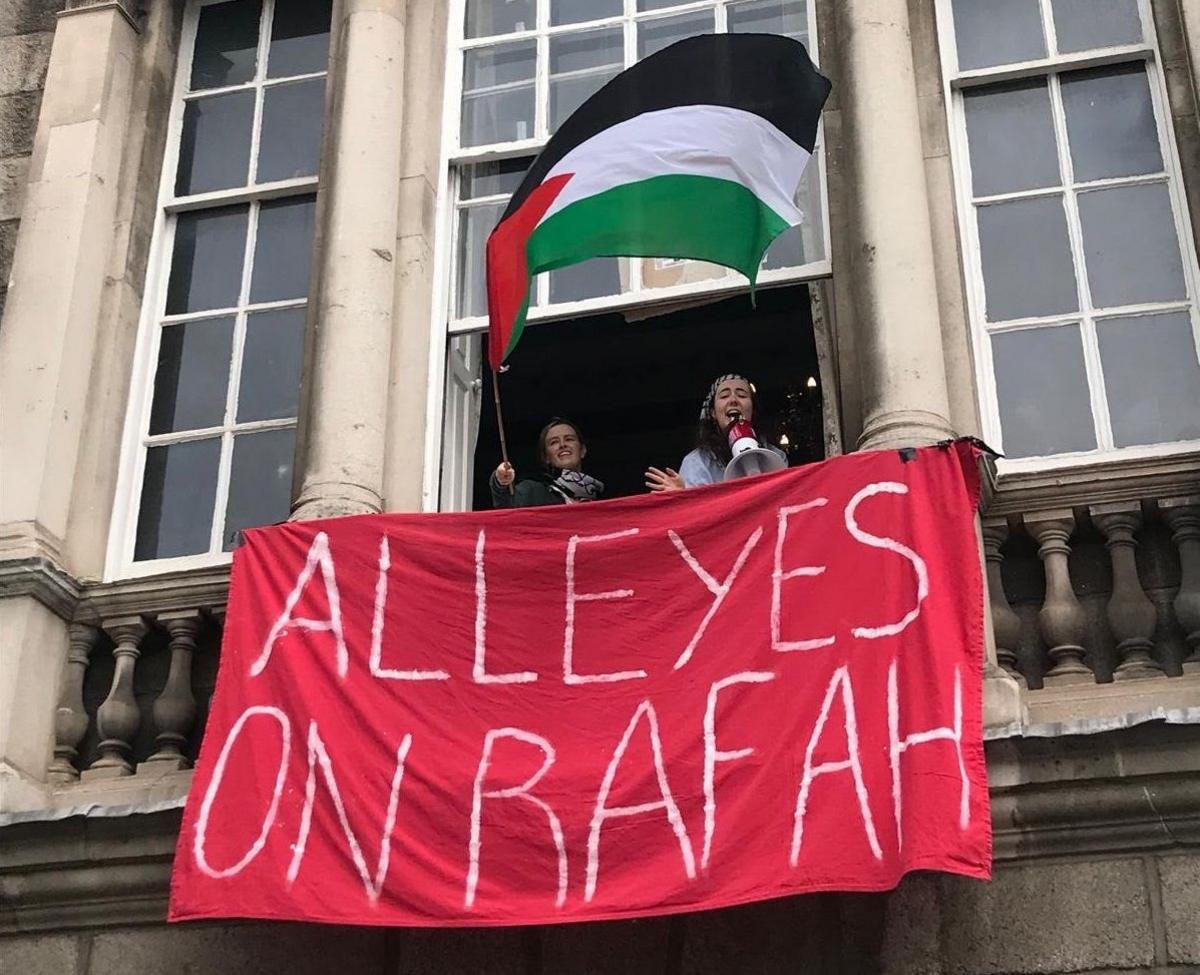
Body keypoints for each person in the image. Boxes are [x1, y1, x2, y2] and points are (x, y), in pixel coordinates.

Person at [645, 374, 788, 492]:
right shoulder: (696, 463)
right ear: (713, 413)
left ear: (752, 409)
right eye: (724, 396)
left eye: (742, 395)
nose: (733, 400)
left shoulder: (776, 457)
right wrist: (683, 498)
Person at [491, 417, 605, 508]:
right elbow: (507, 506)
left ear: (583, 451)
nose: (562, 445)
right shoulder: (533, 492)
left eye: (569, 439)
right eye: (554, 442)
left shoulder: (602, 496)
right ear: (546, 457)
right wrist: (501, 481)